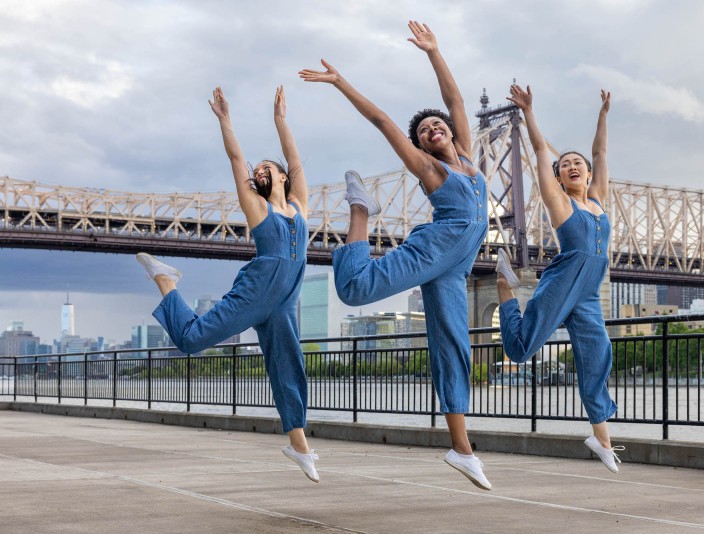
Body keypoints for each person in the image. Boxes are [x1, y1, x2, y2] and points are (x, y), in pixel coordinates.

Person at [299, 21, 491, 490]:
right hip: (435, 248)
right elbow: (384, 121)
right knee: (355, 286)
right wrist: (341, 82)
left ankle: (462, 450)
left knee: (453, 349)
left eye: (436, 125)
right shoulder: (429, 168)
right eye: (424, 131)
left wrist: (434, 51)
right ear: (422, 145)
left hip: (456, 267)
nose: (433, 129)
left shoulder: (467, 155)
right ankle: (361, 207)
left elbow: (456, 102)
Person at [135, 86, 319, 482]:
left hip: (285, 301)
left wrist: (280, 121)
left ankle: (299, 445)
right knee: (190, 340)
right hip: (254, 293)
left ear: (284, 177)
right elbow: (237, 158)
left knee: (290, 369)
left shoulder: (301, 205)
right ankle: (166, 281)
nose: (260, 172)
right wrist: (225, 120)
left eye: (268, 169)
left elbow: (296, 159)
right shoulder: (258, 208)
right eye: (258, 173)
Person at [495, 84, 624, 472]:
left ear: (586, 173)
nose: (571, 165)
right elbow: (538, 151)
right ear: (560, 175)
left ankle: (602, 439)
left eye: (576, 163)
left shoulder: (598, 198)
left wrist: (603, 113)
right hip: (562, 283)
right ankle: (505, 288)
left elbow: (600, 152)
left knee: (598, 355)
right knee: (520, 350)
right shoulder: (560, 202)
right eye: (564, 163)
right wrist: (530, 113)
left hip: (587, 293)